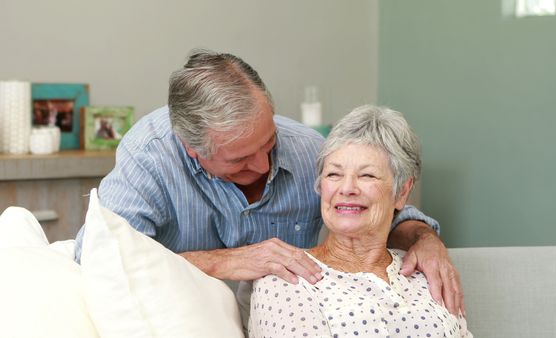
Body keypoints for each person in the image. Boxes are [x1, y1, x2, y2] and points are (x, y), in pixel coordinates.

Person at [73, 50, 463, 317]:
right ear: (194, 150)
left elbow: (376, 207)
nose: (263, 164)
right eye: (241, 159)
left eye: (268, 141)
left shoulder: (305, 148)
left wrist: (424, 238)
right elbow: (95, 257)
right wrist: (219, 261)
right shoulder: (150, 156)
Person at [249, 105, 471, 338]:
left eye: (367, 175)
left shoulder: (428, 273)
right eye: (334, 174)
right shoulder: (286, 278)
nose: (347, 188)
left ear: (401, 192)